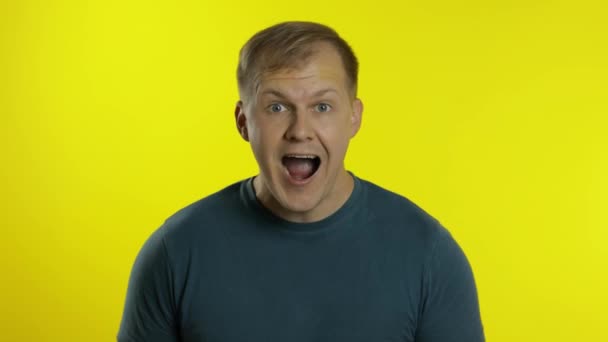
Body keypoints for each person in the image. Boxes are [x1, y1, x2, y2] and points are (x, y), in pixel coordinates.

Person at [117, 21, 485, 342]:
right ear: (243, 121)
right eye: (277, 107)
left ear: (353, 118)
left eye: (322, 106)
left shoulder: (428, 255)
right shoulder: (174, 253)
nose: (300, 131)